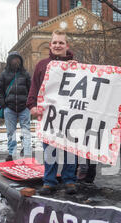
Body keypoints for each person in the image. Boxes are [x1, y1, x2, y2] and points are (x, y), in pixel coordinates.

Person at [27, 29, 77, 195]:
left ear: (66, 45)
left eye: (61, 42)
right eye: (55, 42)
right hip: (49, 114)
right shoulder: (41, 65)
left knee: (70, 148)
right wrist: (32, 104)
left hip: (69, 114)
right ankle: (49, 181)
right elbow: (34, 86)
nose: (57, 45)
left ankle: (69, 180)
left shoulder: (75, 66)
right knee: (50, 148)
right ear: (50, 45)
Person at [0, 51, 32, 162]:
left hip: (24, 108)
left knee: (26, 131)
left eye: (17, 59)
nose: (15, 61)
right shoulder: (4, 74)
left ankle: (27, 153)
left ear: (20, 60)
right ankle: (11, 153)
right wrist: (3, 103)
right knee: (10, 132)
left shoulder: (25, 74)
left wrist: (29, 104)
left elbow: (31, 89)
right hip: (9, 108)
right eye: (13, 58)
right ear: (9, 60)